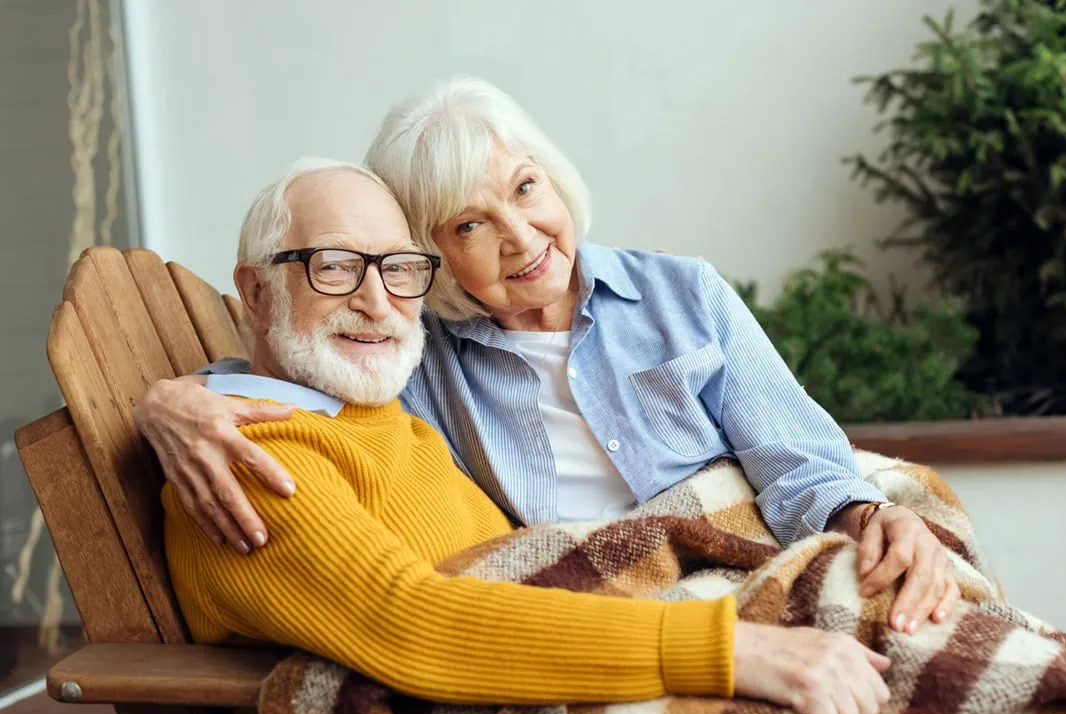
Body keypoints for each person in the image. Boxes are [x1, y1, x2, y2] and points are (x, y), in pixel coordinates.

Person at [135, 76, 958, 643]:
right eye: (469, 225)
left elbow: (800, 464)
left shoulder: (684, 294)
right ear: (427, 260)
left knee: (930, 616)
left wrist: (868, 517)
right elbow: (302, 358)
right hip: (601, 606)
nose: (522, 237)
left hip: (752, 555)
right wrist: (169, 400)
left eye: (525, 189)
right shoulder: (423, 357)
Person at [169, 157, 893, 714]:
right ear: (257, 292)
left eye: (398, 268)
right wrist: (742, 650)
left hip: (584, 644)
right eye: (333, 267)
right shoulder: (239, 456)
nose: (376, 300)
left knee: (904, 610)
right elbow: (414, 621)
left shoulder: (381, 407)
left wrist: (170, 396)